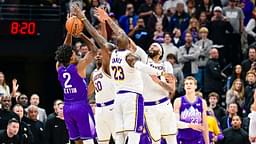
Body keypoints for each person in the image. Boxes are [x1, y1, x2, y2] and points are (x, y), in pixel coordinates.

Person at [89, 7, 167, 144]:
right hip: (132, 97)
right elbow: (144, 68)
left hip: (118, 98)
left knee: (120, 133)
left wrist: (86, 20)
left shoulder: (113, 53)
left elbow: (98, 37)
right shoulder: (130, 57)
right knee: (134, 132)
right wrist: (161, 72)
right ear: (127, 42)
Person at [55, 17, 98, 143]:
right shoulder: (79, 67)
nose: (76, 54)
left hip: (67, 108)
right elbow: (94, 50)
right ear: (70, 57)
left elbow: (64, 49)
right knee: (89, 139)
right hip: (81, 106)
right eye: (73, 53)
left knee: (77, 140)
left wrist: (69, 32)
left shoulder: (59, 67)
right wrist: (81, 34)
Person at [134, 42, 177, 144]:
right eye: (150, 45)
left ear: (161, 51)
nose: (151, 47)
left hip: (165, 104)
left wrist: (158, 81)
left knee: (171, 138)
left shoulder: (166, 65)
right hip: (149, 108)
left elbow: (172, 89)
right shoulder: (144, 60)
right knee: (155, 140)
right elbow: (130, 44)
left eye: (154, 46)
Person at [88, 49, 116, 144]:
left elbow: (105, 49)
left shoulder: (108, 68)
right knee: (102, 141)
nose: (98, 56)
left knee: (119, 139)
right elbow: (89, 92)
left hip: (112, 106)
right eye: (97, 55)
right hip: (99, 109)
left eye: (101, 54)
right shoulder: (93, 73)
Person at [173, 76, 209, 144]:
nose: (188, 85)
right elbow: (175, 123)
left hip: (197, 137)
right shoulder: (178, 101)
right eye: (186, 84)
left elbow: (205, 125)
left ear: (195, 86)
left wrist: (207, 142)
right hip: (183, 137)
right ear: (184, 87)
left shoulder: (202, 102)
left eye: (190, 83)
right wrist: (190, 125)